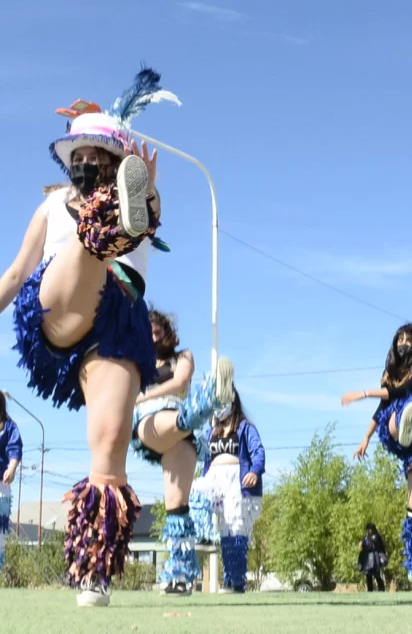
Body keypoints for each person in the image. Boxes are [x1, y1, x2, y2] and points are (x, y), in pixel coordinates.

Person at [0, 68, 228, 608]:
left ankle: (93, 571)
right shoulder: (51, 206)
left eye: (96, 156)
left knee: (108, 447)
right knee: (90, 242)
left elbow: (154, 217)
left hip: (120, 321)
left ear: (117, 161)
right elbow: (13, 276)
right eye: (76, 156)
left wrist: (147, 203)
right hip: (59, 304)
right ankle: (103, 230)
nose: (84, 162)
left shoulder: (145, 201)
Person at [341, 323, 412, 593]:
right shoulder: (391, 373)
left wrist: (363, 393)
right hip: (395, 429)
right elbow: (384, 404)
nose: (403, 343)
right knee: (398, 409)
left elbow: (403, 389)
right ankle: (402, 424)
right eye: (399, 339)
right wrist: (366, 437)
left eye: (408, 339)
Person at [131, 309, 233, 596]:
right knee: (171, 419)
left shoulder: (183, 356)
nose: (152, 335)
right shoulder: (137, 361)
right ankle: (207, 402)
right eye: (147, 330)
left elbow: (180, 383)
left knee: (177, 509)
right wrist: (143, 398)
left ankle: (179, 578)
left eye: (156, 329)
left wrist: (144, 392)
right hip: (151, 421)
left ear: (166, 331)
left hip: (183, 433)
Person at [190, 383, 265, 594]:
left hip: (237, 481)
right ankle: (204, 534)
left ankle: (234, 581)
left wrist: (254, 471)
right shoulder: (210, 431)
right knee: (196, 492)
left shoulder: (245, 428)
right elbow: (200, 454)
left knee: (233, 531)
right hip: (214, 478)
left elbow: (258, 451)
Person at [0, 392, 23, 571]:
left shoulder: (9, 428)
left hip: (1, 485)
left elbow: (15, 449)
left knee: (0, 532)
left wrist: (12, 468)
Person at [358, 523, 387, 592]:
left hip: (375, 558)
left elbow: (373, 546)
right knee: (368, 576)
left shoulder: (377, 537)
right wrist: (362, 543)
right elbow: (362, 547)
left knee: (377, 575)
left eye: (370, 529)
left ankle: (381, 589)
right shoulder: (366, 537)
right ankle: (370, 590)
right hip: (368, 560)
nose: (369, 531)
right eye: (368, 529)